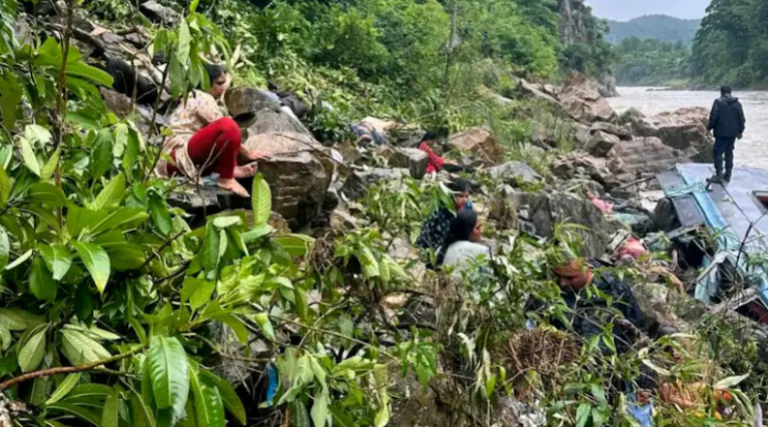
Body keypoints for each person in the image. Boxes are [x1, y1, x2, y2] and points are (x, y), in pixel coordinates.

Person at [157, 64, 270, 197]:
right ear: (206, 83)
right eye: (219, 83)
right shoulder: (201, 97)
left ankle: (231, 170)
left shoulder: (194, 96)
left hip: (179, 160)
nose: (223, 87)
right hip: (176, 158)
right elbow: (224, 128)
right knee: (228, 125)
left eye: (224, 83)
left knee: (226, 131)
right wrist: (248, 153)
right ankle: (226, 179)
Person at [416, 179, 471, 260]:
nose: (465, 200)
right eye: (460, 196)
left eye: (466, 196)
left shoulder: (463, 210)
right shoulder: (442, 211)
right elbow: (432, 237)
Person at [708, 85, 745, 183]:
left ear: (721, 92)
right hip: (733, 133)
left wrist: (708, 128)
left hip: (721, 132)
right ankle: (728, 175)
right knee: (729, 152)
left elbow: (714, 117)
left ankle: (719, 175)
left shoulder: (718, 102)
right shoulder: (737, 104)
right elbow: (741, 119)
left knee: (718, 152)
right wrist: (740, 131)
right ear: (730, 92)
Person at [439, 210, 490, 276]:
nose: (481, 231)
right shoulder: (480, 250)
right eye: (478, 228)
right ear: (468, 230)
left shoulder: (441, 249)